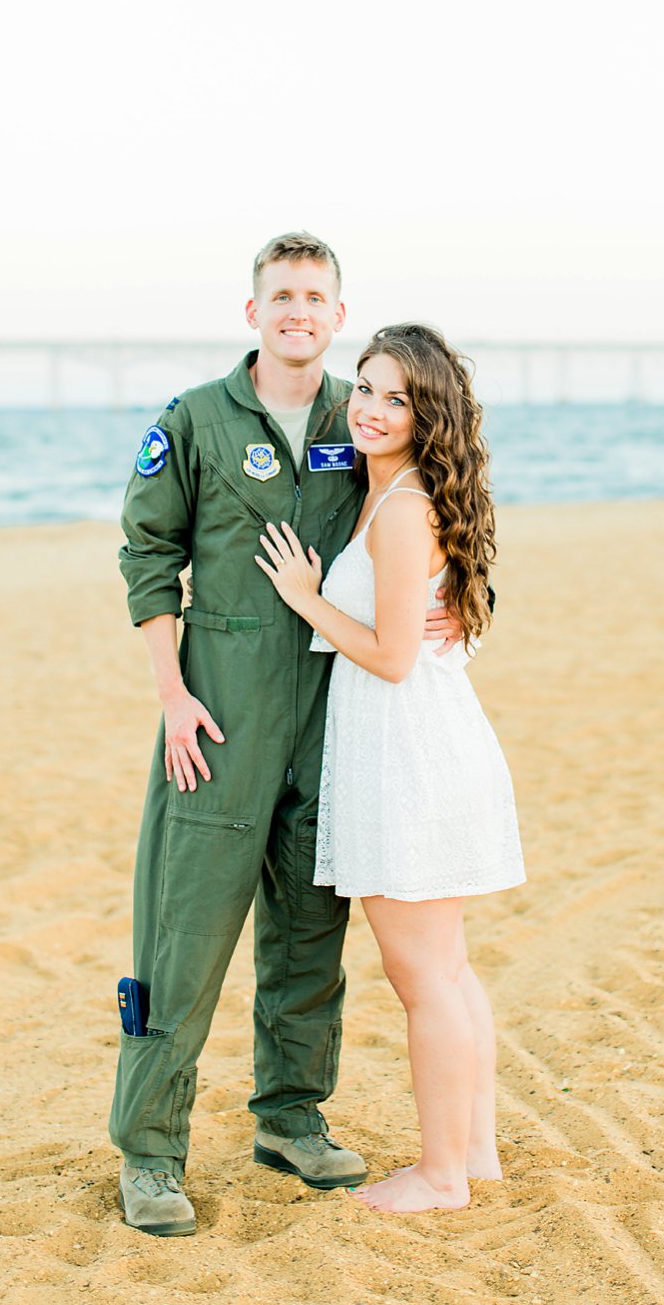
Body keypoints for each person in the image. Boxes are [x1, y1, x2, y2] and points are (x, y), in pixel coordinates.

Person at [110, 232, 466, 1237]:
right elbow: (147, 555)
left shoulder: (364, 415)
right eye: (280, 294)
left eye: (314, 295)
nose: (296, 309)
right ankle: (147, 1151)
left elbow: (441, 501)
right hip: (219, 712)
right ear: (252, 311)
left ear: (336, 312)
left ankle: (290, 1118)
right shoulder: (192, 420)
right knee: (182, 931)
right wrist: (172, 693)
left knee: (310, 932)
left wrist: (459, 604)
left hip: (334, 713)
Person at [255, 322, 524, 1214]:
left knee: (425, 979)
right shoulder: (390, 490)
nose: (370, 408)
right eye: (364, 388)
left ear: (428, 413)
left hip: (409, 755)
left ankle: (442, 1174)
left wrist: (303, 599)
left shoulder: (404, 506)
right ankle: (472, 1153)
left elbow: (394, 654)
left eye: (396, 397)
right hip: (416, 745)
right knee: (447, 969)